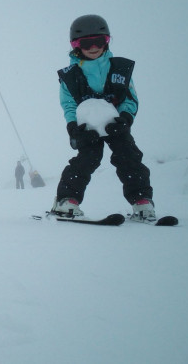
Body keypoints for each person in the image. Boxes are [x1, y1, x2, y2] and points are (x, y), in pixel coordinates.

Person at [50, 14, 155, 222]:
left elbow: (130, 98)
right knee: (87, 159)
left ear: (107, 41)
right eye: (86, 43)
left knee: (129, 156)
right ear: (76, 45)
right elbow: (69, 104)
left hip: (115, 124)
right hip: (87, 126)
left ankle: (142, 200)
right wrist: (73, 127)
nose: (93, 47)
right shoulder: (71, 75)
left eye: (99, 41)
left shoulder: (119, 68)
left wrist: (125, 119)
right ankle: (66, 200)